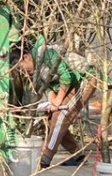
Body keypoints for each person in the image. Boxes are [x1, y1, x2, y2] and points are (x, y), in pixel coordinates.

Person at [16, 35, 95, 168]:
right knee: (51, 117)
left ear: (26, 57)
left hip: (84, 79)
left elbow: (66, 75)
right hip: (70, 85)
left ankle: (46, 157)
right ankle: (77, 154)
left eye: (20, 67)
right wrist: (53, 101)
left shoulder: (45, 53)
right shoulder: (35, 69)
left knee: (61, 116)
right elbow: (48, 85)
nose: (23, 72)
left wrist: (58, 101)